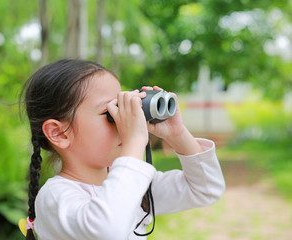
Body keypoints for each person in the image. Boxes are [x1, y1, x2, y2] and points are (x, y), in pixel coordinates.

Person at [20, 59, 225, 240]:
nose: (122, 121)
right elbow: (107, 231)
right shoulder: (55, 197)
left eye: (120, 107)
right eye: (110, 112)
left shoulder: (133, 186)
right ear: (60, 133)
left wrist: (177, 134)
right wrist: (134, 141)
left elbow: (206, 189)